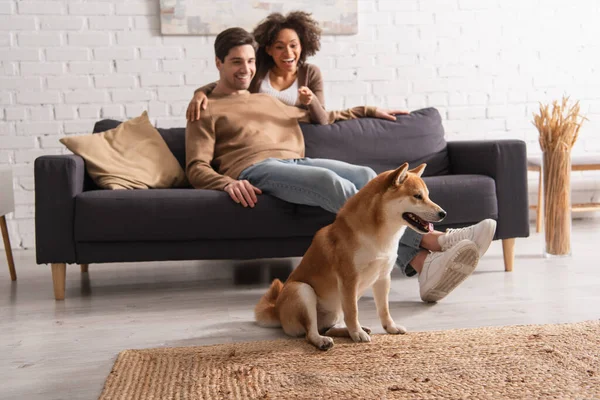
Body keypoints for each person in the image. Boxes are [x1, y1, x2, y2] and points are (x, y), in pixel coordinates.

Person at [186, 27, 497, 303]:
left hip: (297, 161)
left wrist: (369, 109)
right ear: (218, 64)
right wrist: (227, 182)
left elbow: (325, 116)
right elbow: (196, 166)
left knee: (367, 176)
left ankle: (421, 262)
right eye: (236, 62)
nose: (246, 68)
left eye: (251, 61)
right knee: (328, 182)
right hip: (255, 168)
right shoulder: (205, 107)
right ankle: (433, 241)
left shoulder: (266, 99)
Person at [186, 11, 330, 124]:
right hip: (260, 137)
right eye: (279, 47)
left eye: (293, 45)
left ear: (302, 46)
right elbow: (229, 84)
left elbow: (323, 120)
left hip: (294, 139)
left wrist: (311, 101)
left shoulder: (310, 73)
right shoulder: (259, 70)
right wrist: (201, 92)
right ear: (268, 50)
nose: (288, 52)